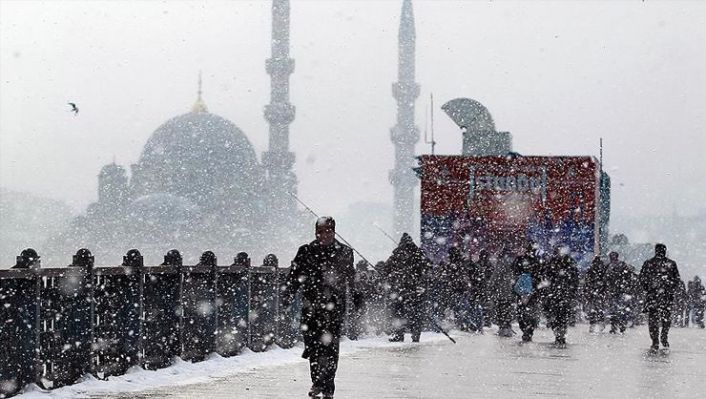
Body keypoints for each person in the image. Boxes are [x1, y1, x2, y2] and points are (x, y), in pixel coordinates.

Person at [282, 217, 359, 399]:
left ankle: (327, 386)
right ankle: (317, 380)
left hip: (334, 308)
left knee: (330, 348)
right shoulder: (306, 252)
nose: (324, 235)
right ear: (316, 232)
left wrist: (356, 296)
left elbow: (351, 277)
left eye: (327, 231)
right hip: (311, 308)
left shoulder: (344, 252)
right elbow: (294, 277)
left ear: (333, 232)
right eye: (320, 232)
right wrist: (288, 295)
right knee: (313, 346)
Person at [383, 233, 428, 342]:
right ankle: (416, 335)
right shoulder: (418, 254)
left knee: (398, 312)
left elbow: (386, 268)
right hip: (414, 289)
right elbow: (425, 270)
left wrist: (392, 276)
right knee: (416, 313)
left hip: (400, 289)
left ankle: (399, 334)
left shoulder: (397, 253)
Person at [639, 243, 681, 353]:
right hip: (657, 296)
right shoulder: (650, 263)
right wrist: (650, 286)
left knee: (660, 320)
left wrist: (667, 284)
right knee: (658, 320)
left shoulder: (668, 264)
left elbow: (676, 280)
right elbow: (642, 278)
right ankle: (657, 340)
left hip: (662, 296)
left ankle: (660, 338)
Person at [544, 249, 579, 347]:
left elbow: (575, 279)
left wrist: (572, 292)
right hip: (556, 295)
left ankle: (561, 336)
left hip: (563, 295)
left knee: (562, 316)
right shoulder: (552, 263)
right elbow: (546, 277)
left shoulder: (568, 264)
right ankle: (559, 335)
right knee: (556, 316)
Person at [513, 243, 542, 342]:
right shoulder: (536, 261)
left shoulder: (522, 260)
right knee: (528, 313)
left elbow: (514, 272)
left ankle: (527, 331)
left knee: (523, 313)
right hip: (530, 292)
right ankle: (528, 331)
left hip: (524, 292)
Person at [605, 252, 634, 334]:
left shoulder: (609, 266)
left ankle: (615, 326)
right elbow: (628, 276)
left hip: (615, 291)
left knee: (614, 309)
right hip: (620, 290)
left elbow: (604, 278)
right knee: (620, 309)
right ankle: (621, 326)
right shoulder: (622, 265)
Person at [584, 256, 608, 332]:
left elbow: (587, 281)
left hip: (594, 292)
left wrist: (588, 290)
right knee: (598, 309)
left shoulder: (591, 270)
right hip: (598, 292)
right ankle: (599, 323)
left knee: (593, 309)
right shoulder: (602, 269)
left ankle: (594, 324)